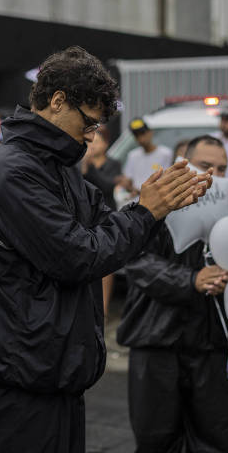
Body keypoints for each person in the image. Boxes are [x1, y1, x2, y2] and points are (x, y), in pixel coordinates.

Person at [0, 46, 210, 453]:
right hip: (26, 370)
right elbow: (81, 256)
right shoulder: (14, 170)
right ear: (58, 101)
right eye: (89, 121)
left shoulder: (55, 164)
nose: (92, 135)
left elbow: (108, 228)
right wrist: (147, 212)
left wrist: (164, 206)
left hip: (53, 365)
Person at [117, 135, 228, 452]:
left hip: (213, 345)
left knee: (218, 439)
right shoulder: (152, 211)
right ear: (182, 164)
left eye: (222, 168)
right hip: (156, 340)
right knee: (156, 439)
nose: (213, 175)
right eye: (205, 165)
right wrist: (190, 279)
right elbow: (135, 261)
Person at [80, 125, 123, 318]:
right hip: (87, 216)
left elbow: (106, 185)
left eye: (97, 141)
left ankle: (104, 308)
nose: (93, 145)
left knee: (106, 262)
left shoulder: (113, 163)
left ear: (105, 144)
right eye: (91, 141)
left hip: (106, 215)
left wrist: (89, 167)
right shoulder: (81, 162)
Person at [122, 118, 173, 193]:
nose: (141, 138)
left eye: (143, 133)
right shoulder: (132, 155)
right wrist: (127, 186)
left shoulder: (165, 153)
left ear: (150, 132)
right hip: (137, 200)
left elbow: (168, 179)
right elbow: (128, 180)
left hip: (158, 198)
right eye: (137, 135)